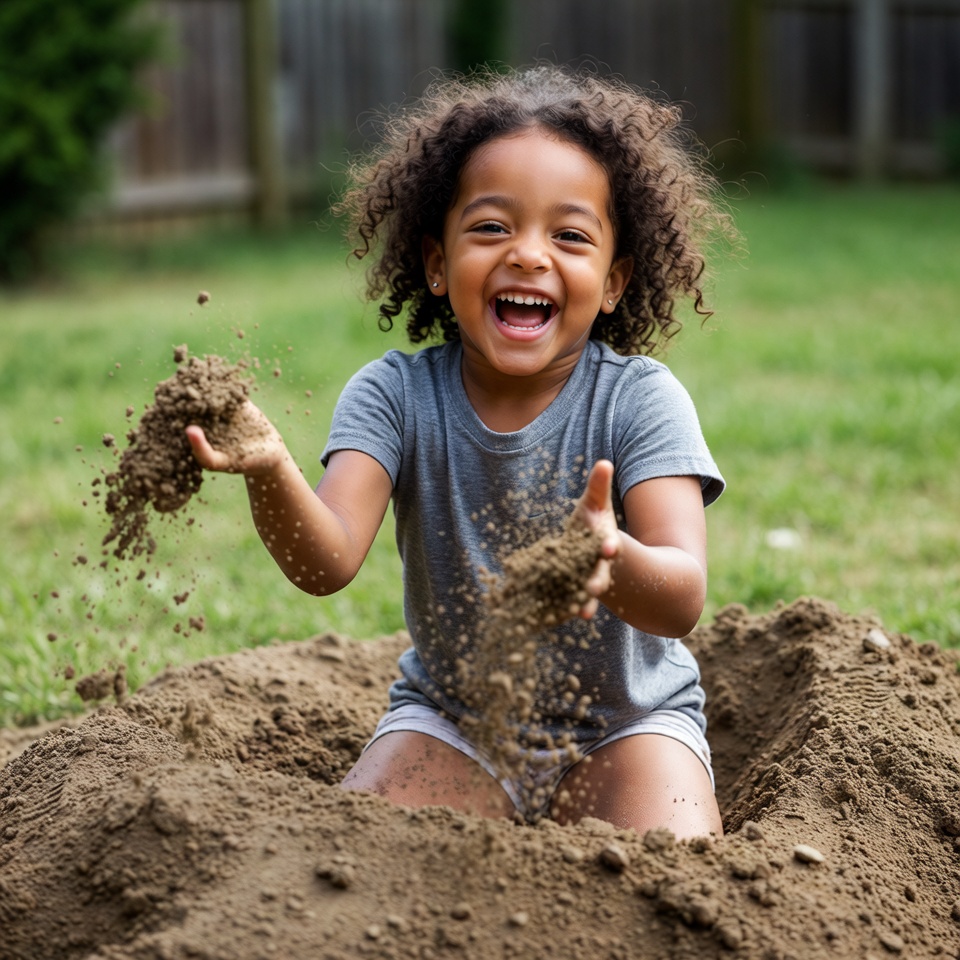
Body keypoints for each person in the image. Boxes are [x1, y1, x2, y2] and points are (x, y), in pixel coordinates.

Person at [187, 65, 733, 839]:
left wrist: (612, 555)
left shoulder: (640, 399)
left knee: (669, 868)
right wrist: (273, 470)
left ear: (614, 282)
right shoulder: (394, 397)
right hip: (455, 722)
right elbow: (327, 563)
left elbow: (681, 599)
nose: (529, 255)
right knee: (350, 857)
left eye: (569, 235)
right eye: (490, 227)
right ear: (437, 265)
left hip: (628, 723)